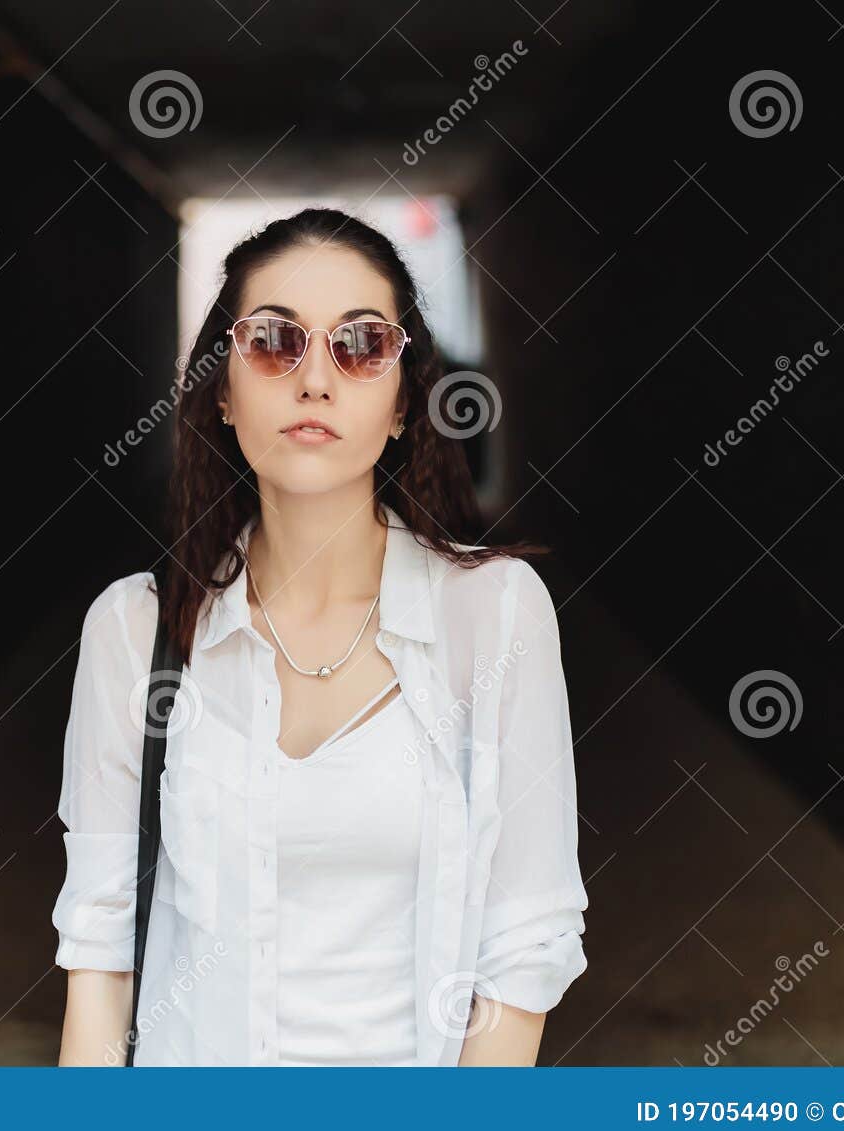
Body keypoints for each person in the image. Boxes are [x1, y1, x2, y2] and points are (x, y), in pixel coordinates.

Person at [53, 207, 588, 1066]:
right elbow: (100, 955)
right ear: (223, 390)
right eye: (273, 340)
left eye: (362, 344)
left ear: (405, 399)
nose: (315, 379)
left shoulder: (494, 616)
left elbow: (526, 943)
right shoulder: (136, 630)